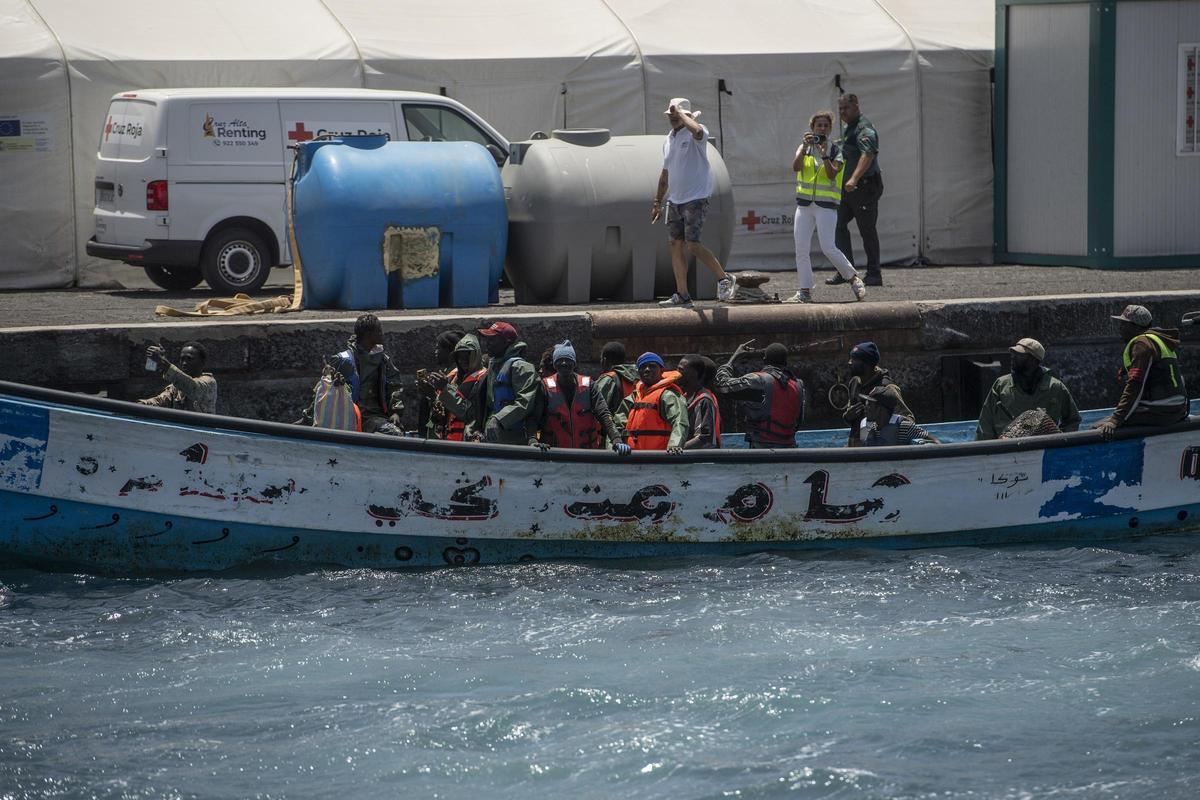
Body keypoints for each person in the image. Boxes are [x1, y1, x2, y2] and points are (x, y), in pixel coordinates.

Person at [651, 97, 737, 308]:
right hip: (676, 199)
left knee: (693, 244)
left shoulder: (697, 133)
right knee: (675, 244)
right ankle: (682, 294)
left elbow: (697, 131)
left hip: (696, 197)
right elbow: (665, 174)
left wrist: (681, 113)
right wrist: (657, 201)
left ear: (687, 116)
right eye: (670, 115)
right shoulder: (669, 140)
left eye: (676, 115)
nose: (672, 118)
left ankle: (723, 278)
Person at [789, 110, 866, 304]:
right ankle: (804, 290)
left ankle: (853, 278)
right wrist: (805, 147)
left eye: (825, 126)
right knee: (801, 248)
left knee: (828, 247)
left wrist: (824, 155)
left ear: (830, 129)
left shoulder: (835, 150)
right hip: (805, 205)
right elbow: (796, 167)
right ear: (812, 128)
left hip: (826, 206)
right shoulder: (804, 147)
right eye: (818, 125)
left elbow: (832, 174)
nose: (821, 128)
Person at [1094, 304, 1188, 439]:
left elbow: (1136, 384)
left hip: (1159, 411)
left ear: (1136, 327)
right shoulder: (1159, 341)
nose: (1120, 329)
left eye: (1124, 325)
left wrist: (1116, 420)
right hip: (1177, 409)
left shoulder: (1142, 344)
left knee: (1097, 428)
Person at [527, 340, 630, 454]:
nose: (564, 363)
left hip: (585, 454)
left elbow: (604, 414)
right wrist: (532, 440)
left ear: (574, 363)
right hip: (554, 453)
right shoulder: (544, 387)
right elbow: (533, 418)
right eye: (560, 360)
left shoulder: (590, 385)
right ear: (555, 365)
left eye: (568, 360)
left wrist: (616, 439)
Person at [314, 313, 405, 435]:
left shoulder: (383, 360)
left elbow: (394, 386)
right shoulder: (344, 360)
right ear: (369, 334)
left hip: (375, 416)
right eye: (378, 330)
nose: (382, 333)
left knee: (396, 432)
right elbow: (323, 390)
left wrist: (395, 411)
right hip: (349, 415)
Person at [827, 93, 884, 287]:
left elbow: (867, 155)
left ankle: (874, 273)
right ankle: (846, 271)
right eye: (840, 108)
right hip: (848, 189)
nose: (842, 112)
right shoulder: (848, 128)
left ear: (856, 106)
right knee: (838, 225)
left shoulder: (863, 127)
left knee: (866, 230)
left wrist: (853, 178)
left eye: (846, 108)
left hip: (864, 186)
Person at [976, 338, 1081, 440]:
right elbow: (986, 423)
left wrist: (1060, 441)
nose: (1013, 357)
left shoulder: (1055, 387)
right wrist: (986, 450)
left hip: (1045, 447)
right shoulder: (1001, 385)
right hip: (1006, 448)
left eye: (1019, 355)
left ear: (1034, 360)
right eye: (1013, 354)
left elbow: (1073, 420)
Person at [714, 340, 805, 448]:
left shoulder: (758, 381)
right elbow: (798, 422)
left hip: (762, 448)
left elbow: (722, 386)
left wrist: (734, 357)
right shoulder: (798, 385)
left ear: (764, 360)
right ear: (786, 363)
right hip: (790, 447)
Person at [477, 321, 539, 445]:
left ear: (507, 342)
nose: (487, 343)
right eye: (487, 339)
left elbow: (525, 403)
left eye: (492, 340)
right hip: (494, 438)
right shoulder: (493, 366)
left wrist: (498, 419)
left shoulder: (521, 367)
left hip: (516, 439)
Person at [841, 341, 912, 447]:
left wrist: (879, 423)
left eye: (854, 359)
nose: (849, 362)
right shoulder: (855, 383)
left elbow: (909, 420)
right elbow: (853, 419)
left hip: (877, 452)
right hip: (855, 448)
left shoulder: (887, 389)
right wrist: (847, 417)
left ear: (866, 363)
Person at [617, 352, 690, 453]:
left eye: (652, 366)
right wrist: (615, 444)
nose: (647, 369)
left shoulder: (668, 396)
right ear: (639, 372)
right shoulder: (633, 397)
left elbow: (680, 421)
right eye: (643, 367)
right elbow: (617, 426)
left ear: (661, 370)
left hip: (658, 457)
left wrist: (674, 445)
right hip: (632, 457)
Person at [426, 333, 486, 441]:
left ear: (476, 356)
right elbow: (430, 425)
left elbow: (470, 414)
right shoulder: (451, 378)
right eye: (459, 356)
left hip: (467, 444)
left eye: (468, 355)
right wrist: (432, 398)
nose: (463, 359)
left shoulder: (483, 379)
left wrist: (445, 389)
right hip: (445, 444)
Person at [139, 341, 217, 413]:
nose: (184, 363)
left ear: (202, 362)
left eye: (189, 359)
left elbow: (192, 387)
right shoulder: (176, 387)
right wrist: (139, 405)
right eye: (182, 359)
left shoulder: (209, 382)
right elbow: (159, 401)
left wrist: (164, 362)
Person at [420, 329, 464, 439]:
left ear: (450, 351)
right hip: (437, 432)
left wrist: (432, 395)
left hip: (452, 441)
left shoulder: (458, 377)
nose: (435, 352)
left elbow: (453, 408)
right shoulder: (445, 374)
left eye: (438, 348)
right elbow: (433, 420)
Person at [860, 386, 940, 446]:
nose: (865, 408)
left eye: (869, 405)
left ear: (881, 409)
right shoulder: (868, 427)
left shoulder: (903, 426)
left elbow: (932, 439)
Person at [677, 354, 721, 449]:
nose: (677, 373)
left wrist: (677, 448)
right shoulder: (683, 398)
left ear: (695, 373)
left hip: (701, 460)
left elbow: (704, 437)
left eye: (681, 370)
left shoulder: (704, 400)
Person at [595, 342, 639, 417]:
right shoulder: (637, 377)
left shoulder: (608, 379)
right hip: (632, 424)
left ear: (604, 360)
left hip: (614, 426)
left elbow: (596, 406)